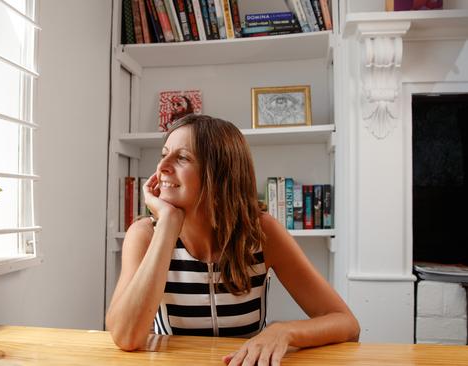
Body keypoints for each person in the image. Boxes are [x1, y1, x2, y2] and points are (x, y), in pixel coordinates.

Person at [105, 114, 359, 365]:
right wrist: (167, 225)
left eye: (182, 157)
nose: (162, 167)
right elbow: (126, 337)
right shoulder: (145, 235)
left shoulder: (262, 232)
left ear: (220, 174)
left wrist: (283, 330)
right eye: (164, 154)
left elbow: (346, 324)